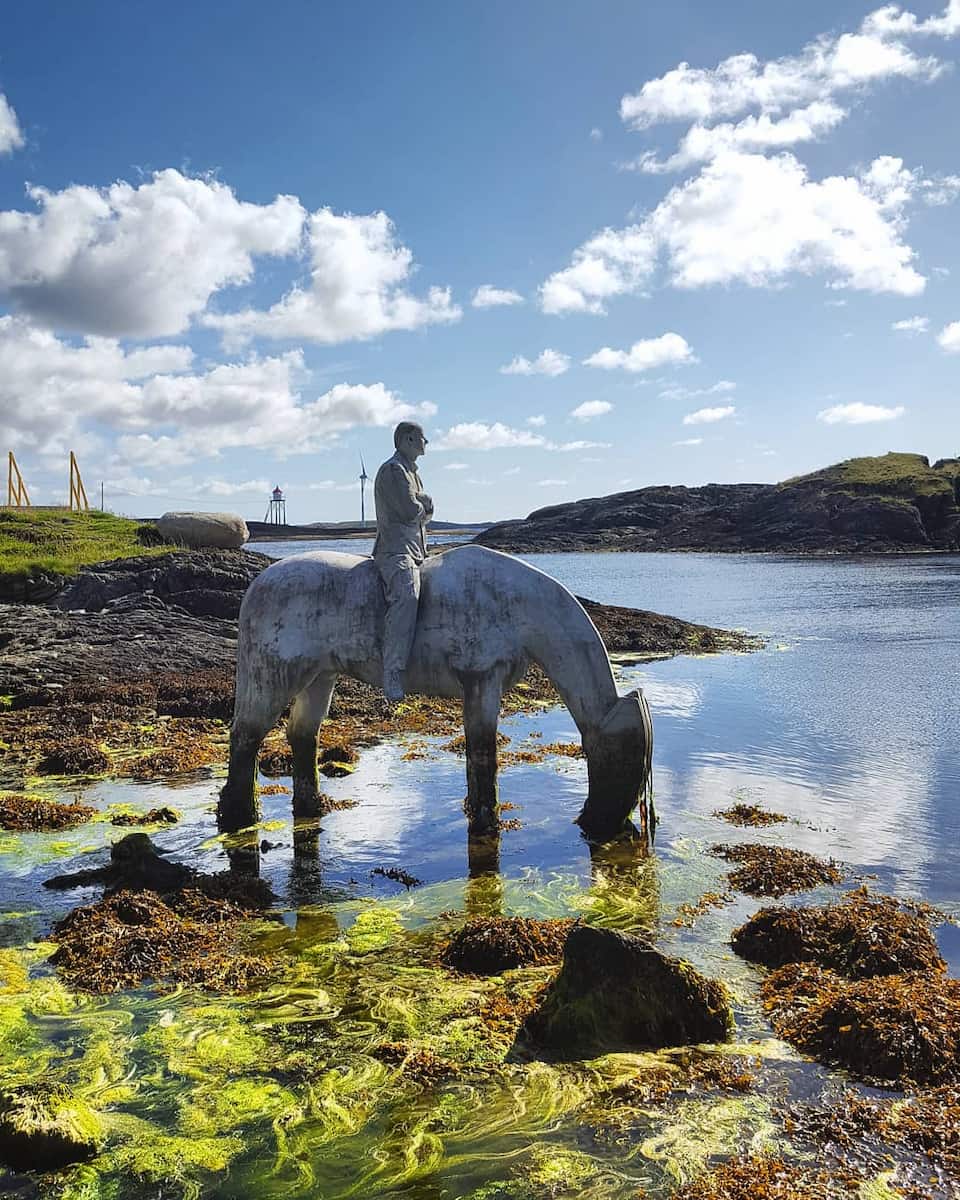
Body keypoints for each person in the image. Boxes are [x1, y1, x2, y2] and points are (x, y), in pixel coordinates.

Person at [373, 421, 433, 702]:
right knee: (407, 596)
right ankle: (392, 673)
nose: (426, 442)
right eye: (423, 438)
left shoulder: (413, 473)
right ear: (409, 439)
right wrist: (426, 501)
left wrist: (422, 502)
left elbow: (421, 512)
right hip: (396, 552)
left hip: (416, 551)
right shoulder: (394, 471)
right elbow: (411, 511)